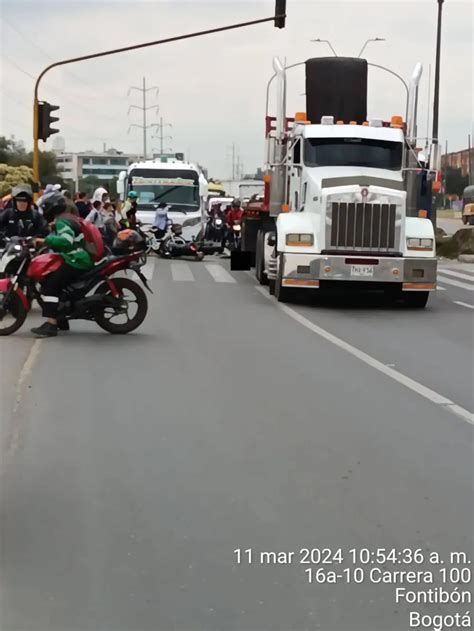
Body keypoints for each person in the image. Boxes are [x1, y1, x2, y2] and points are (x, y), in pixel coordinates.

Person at [30, 192, 94, 338]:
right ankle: (61, 319)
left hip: (76, 260)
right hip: (78, 257)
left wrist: (45, 241)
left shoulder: (61, 221)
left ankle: (51, 324)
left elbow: (66, 240)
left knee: (51, 286)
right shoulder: (68, 218)